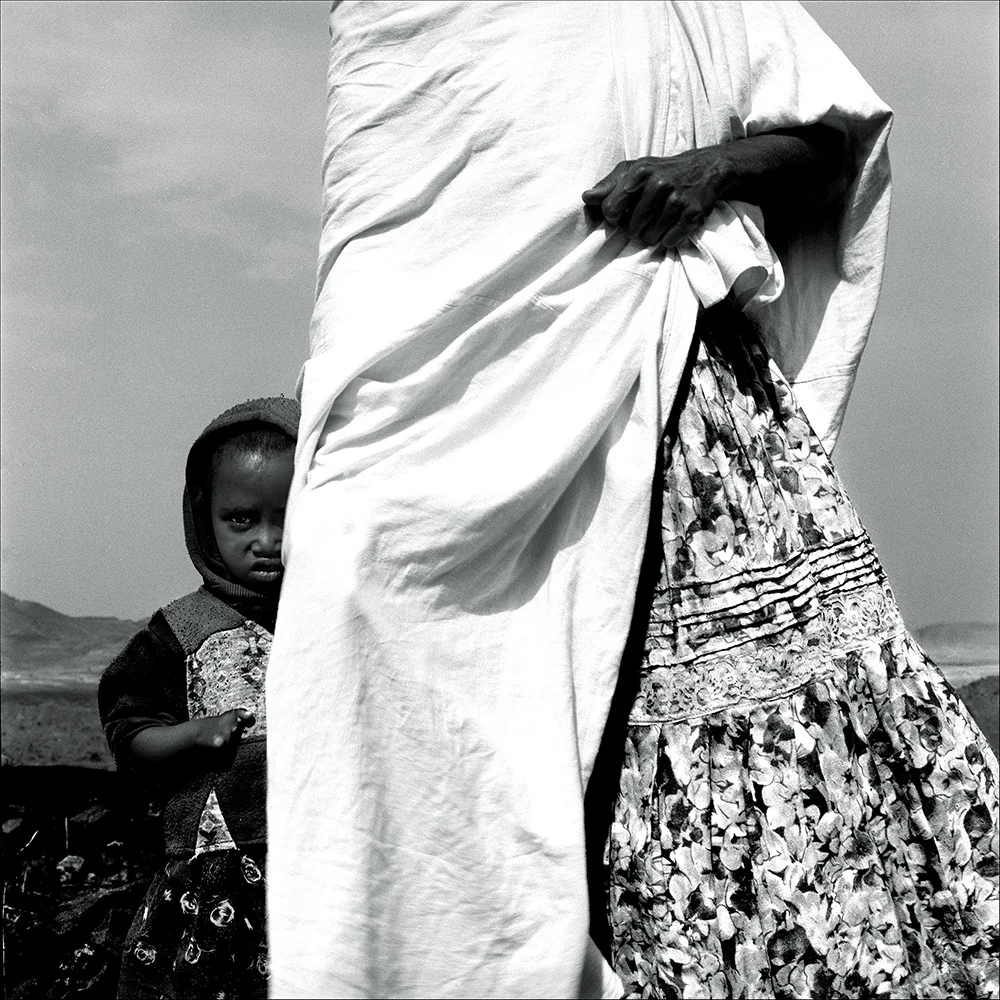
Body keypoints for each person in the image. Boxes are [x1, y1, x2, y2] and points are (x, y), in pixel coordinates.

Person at [265, 4, 998, 998]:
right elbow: (380, 266)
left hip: (681, 418)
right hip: (432, 426)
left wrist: (708, 172)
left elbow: (832, 146)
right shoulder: (390, 22)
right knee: (357, 595)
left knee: (779, 793)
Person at [99, 396, 299, 1000]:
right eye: (241, 519)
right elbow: (129, 733)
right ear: (202, 516)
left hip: (320, 870)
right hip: (211, 878)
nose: (266, 541)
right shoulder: (180, 632)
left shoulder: (335, 616)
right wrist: (193, 734)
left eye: (287, 516)